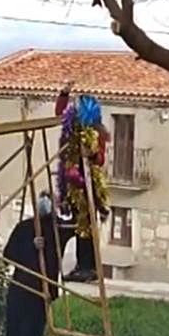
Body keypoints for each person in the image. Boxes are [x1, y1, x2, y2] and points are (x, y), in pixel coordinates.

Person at [2, 192, 70, 336]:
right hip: (21, 288)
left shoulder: (57, 231)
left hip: (41, 292)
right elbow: (9, 254)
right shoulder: (25, 227)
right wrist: (31, 247)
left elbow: (77, 227)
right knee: (15, 333)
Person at [55, 81, 110, 283]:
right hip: (73, 183)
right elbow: (60, 113)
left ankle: (87, 267)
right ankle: (83, 265)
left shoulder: (97, 134)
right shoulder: (73, 128)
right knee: (80, 225)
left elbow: (100, 159)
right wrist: (64, 94)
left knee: (85, 226)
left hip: (87, 184)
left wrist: (93, 155)